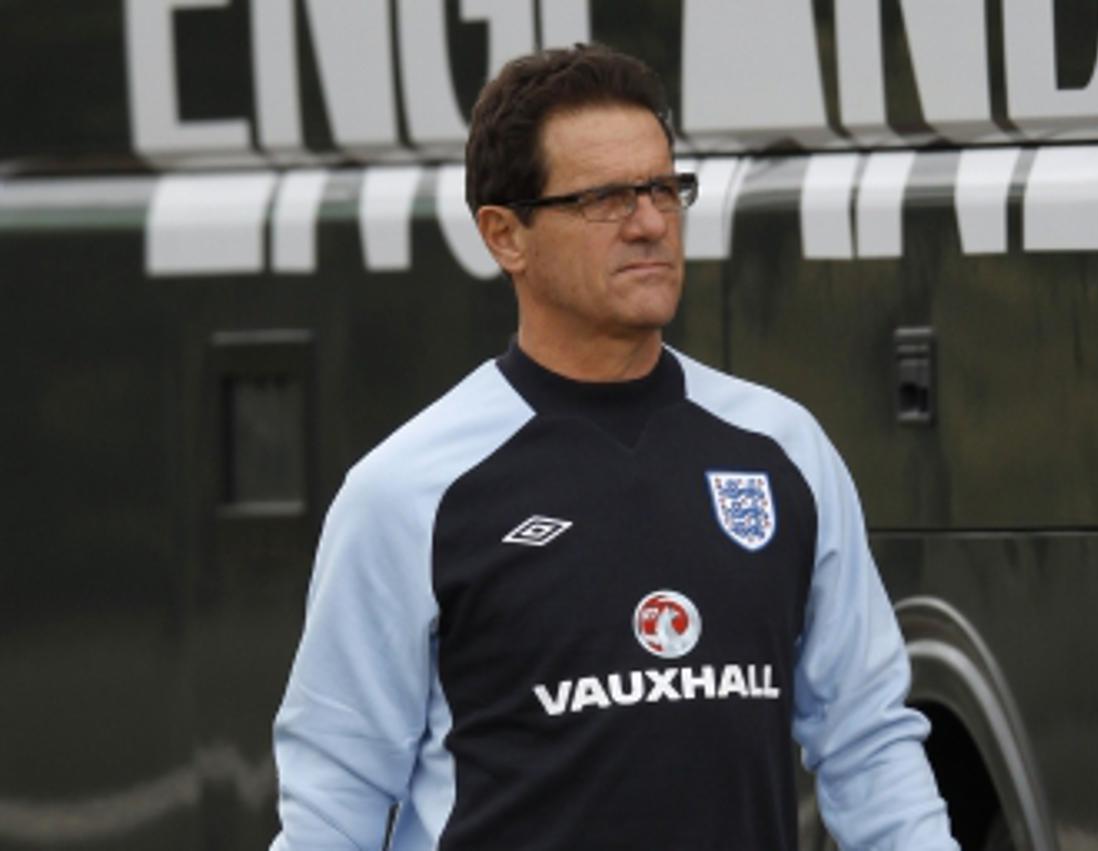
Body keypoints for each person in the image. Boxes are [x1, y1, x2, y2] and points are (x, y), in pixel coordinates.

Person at [271, 43, 957, 851]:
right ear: (505, 236)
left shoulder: (785, 451)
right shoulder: (408, 491)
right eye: (605, 199)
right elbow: (334, 805)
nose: (650, 222)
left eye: (665, 187)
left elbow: (868, 742)